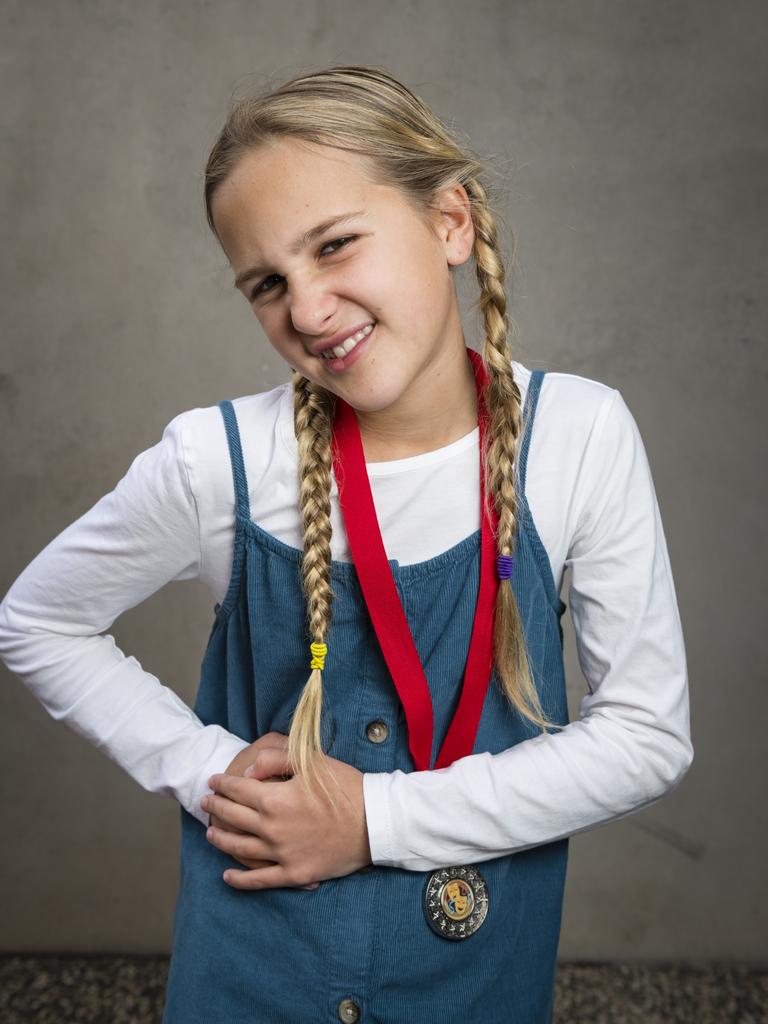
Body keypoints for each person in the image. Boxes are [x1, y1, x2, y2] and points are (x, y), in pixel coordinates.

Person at [0, 64, 693, 1022]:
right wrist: (200, 769)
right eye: (267, 284)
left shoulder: (579, 434)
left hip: (478, 978)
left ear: (451, 222)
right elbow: (37, 620)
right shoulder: (220, 460)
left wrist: (373, 822)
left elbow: (647, 737)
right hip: (253, 973)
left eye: (335, 246)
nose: (310, 309)